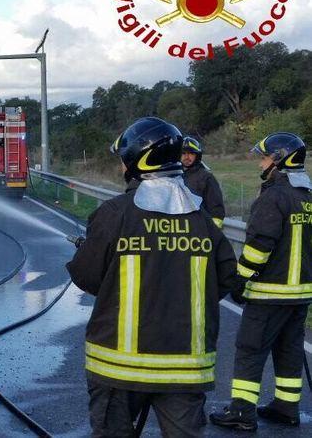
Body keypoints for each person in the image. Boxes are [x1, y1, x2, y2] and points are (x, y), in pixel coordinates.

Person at [67, 117, 237, 437]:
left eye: (123, 159)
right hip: (185, 370)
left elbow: (86, 275)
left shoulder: (115, 213)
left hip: (119, 368)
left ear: (137, 161)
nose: (121, 165)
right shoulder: (201, 219)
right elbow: (226, 277)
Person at [210, 132, 312, 431]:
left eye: (265, 157)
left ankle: (242, 412)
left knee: (250, 349)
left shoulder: (273, 196)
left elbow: (259, 246)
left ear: (278, 160)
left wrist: (240, 280)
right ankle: (286, 407)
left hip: (269, 294)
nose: (261, 163)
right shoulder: (308, 197)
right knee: (289, 350)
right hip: (301, 294)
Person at [181, 137, 226, 228]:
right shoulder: (173, 176)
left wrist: (213, 231)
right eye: (183, 153)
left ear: (197, 156)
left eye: (191, 153)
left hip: (198, 230)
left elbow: (216, 209)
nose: (187, 157)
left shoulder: (206, 177)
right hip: (178, 230)